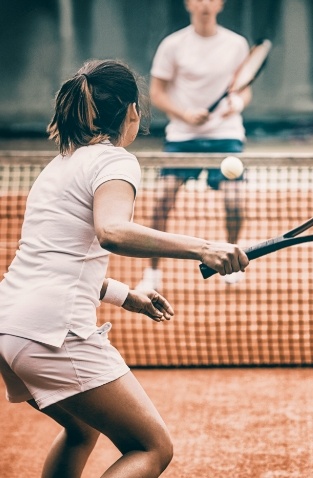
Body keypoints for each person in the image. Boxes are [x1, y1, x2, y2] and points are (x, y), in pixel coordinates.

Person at [0, 59, 248, 478]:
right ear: (132, 111)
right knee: (151, 448)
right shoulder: (114, 161)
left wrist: (124, 295)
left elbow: (56, 258)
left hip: (10, 328)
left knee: (81, 429)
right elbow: (112, 231)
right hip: (53, 335)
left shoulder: (57, 167)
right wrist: (203, 247)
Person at [137, 0, 252, 290]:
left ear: (221, 3)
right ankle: (152, 272)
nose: (205, 3)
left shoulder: (237, 44)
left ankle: (232, 258)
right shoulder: (172, 45)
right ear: (188, 3)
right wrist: (184, 114)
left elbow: (243, 88)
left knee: (235, 203)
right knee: (161, 203)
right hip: (183, 138)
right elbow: (157, 92)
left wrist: (236, 103)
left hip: (226, 136)